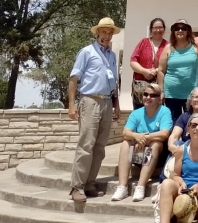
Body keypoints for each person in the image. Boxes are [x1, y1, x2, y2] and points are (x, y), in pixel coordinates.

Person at [67, 17, 121, 202]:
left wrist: (117, 105)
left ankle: (90, 183)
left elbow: (114, 82)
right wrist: (72, 105)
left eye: (110, 32)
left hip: (107, 102)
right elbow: (74, 79)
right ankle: (77, 186)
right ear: (97, 33)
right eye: (104, 32)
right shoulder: (86, 52)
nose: (106, 35)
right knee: (86, 145)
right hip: (90, 100)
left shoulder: (112, 56)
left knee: (100, 147)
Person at [111, 83, 172, 202]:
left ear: (160, 99)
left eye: (152, 95)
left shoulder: (165, 111)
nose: (148, 97)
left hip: (157, 157)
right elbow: (125, 133)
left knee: (155, 144)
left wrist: (144, 138)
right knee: (125, 143)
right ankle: (122, 187)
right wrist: (136, 136)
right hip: (139, 154)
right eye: (146, 94)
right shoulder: (136, 113)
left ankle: (140, 186)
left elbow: (164, 133)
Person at [157, 113, 198, 223]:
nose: (197, 128)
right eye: (193, 125)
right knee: (166, 183)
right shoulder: (182, 149)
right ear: (188, 129)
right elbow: (176, 175)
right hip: (187, 189)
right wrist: (181, 183)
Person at [158, 19, 198, 120]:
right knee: (174, 123)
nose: (180, 30)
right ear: (173, 31)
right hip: (171, 93)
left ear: (188, 31)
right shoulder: (168, 48)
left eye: (183, 28)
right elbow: (161, 70)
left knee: (192, 121)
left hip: (192, 92)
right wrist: (161, 91)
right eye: (177, 28)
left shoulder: (196, 47)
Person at [130, 18, 169, 110]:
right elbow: (133, 61)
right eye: (155, 28)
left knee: (156, 115)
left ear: (164, 29)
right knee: (139, 114)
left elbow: (170, 64)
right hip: (140, 89)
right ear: (151, 29)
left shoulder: (168, 45)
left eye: (160, 27)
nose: (158, 30)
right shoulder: (144, 42)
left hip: (158, 87)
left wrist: (156, 71)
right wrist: (144, 71)